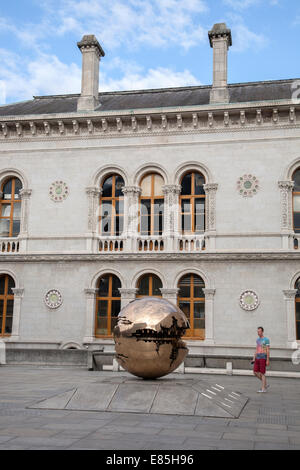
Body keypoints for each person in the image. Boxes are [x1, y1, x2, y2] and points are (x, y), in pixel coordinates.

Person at [253, 326, 270, 393]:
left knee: (262, 373)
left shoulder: (266, 340)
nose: (258, 333)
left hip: (263, 357)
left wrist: (268, 359)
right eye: (257, 331)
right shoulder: (257, 340)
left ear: (262, 332)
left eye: (259, 331)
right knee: (255, 372)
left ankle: (263, 388)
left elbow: (267, 350)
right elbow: (257, 349)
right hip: (257, 357)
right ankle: (265, 383)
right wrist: (254, 358)